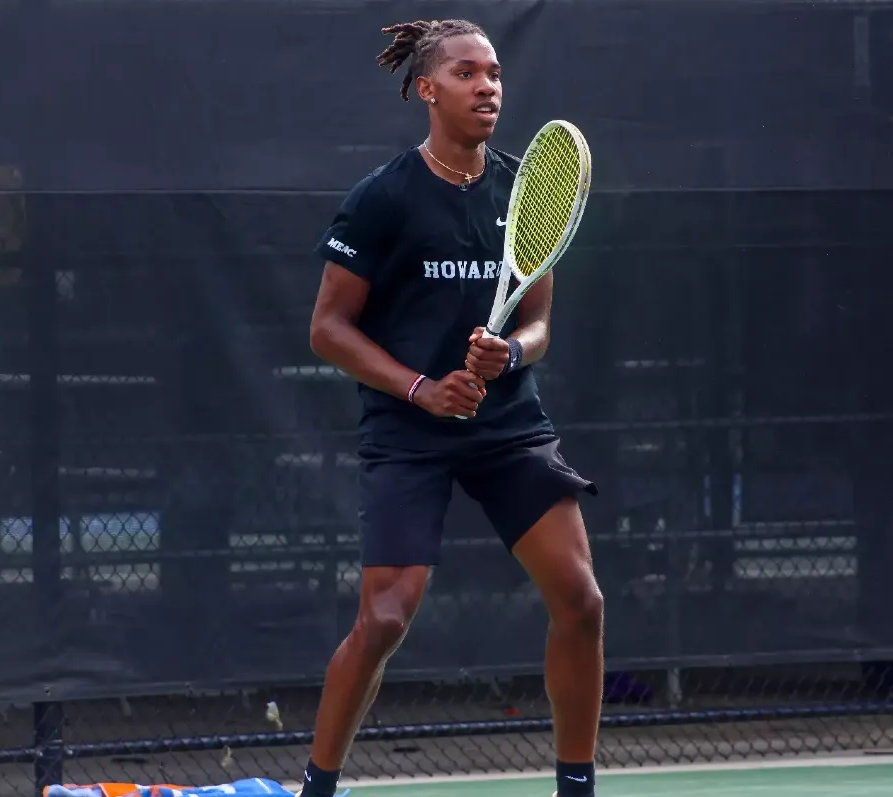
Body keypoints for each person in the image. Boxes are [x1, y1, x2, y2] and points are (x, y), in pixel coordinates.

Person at [299, 18, 605, 797]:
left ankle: (575, 785)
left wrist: (515, 353)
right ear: (428, 89)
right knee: (386, 619)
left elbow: (537, 322)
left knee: (581, 600)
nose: (488, 87)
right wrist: (419, 387)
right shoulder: (382, 199)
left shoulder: (526, 191)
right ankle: (317, 788)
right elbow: (327, 329)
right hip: (408, 432)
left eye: (495, 73)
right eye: (468, 74)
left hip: (508, 428)